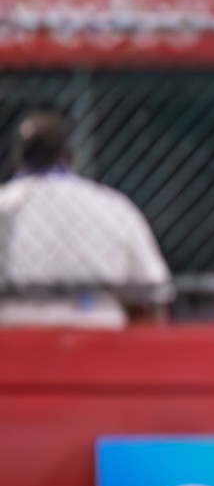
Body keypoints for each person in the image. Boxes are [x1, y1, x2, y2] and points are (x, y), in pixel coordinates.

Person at [0, 110, 173, 327]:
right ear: (71, 156)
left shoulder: (4, 203)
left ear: (18, 157)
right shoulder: (112, 206)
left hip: (14, 337)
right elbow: (152, 296)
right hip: (95, 333)